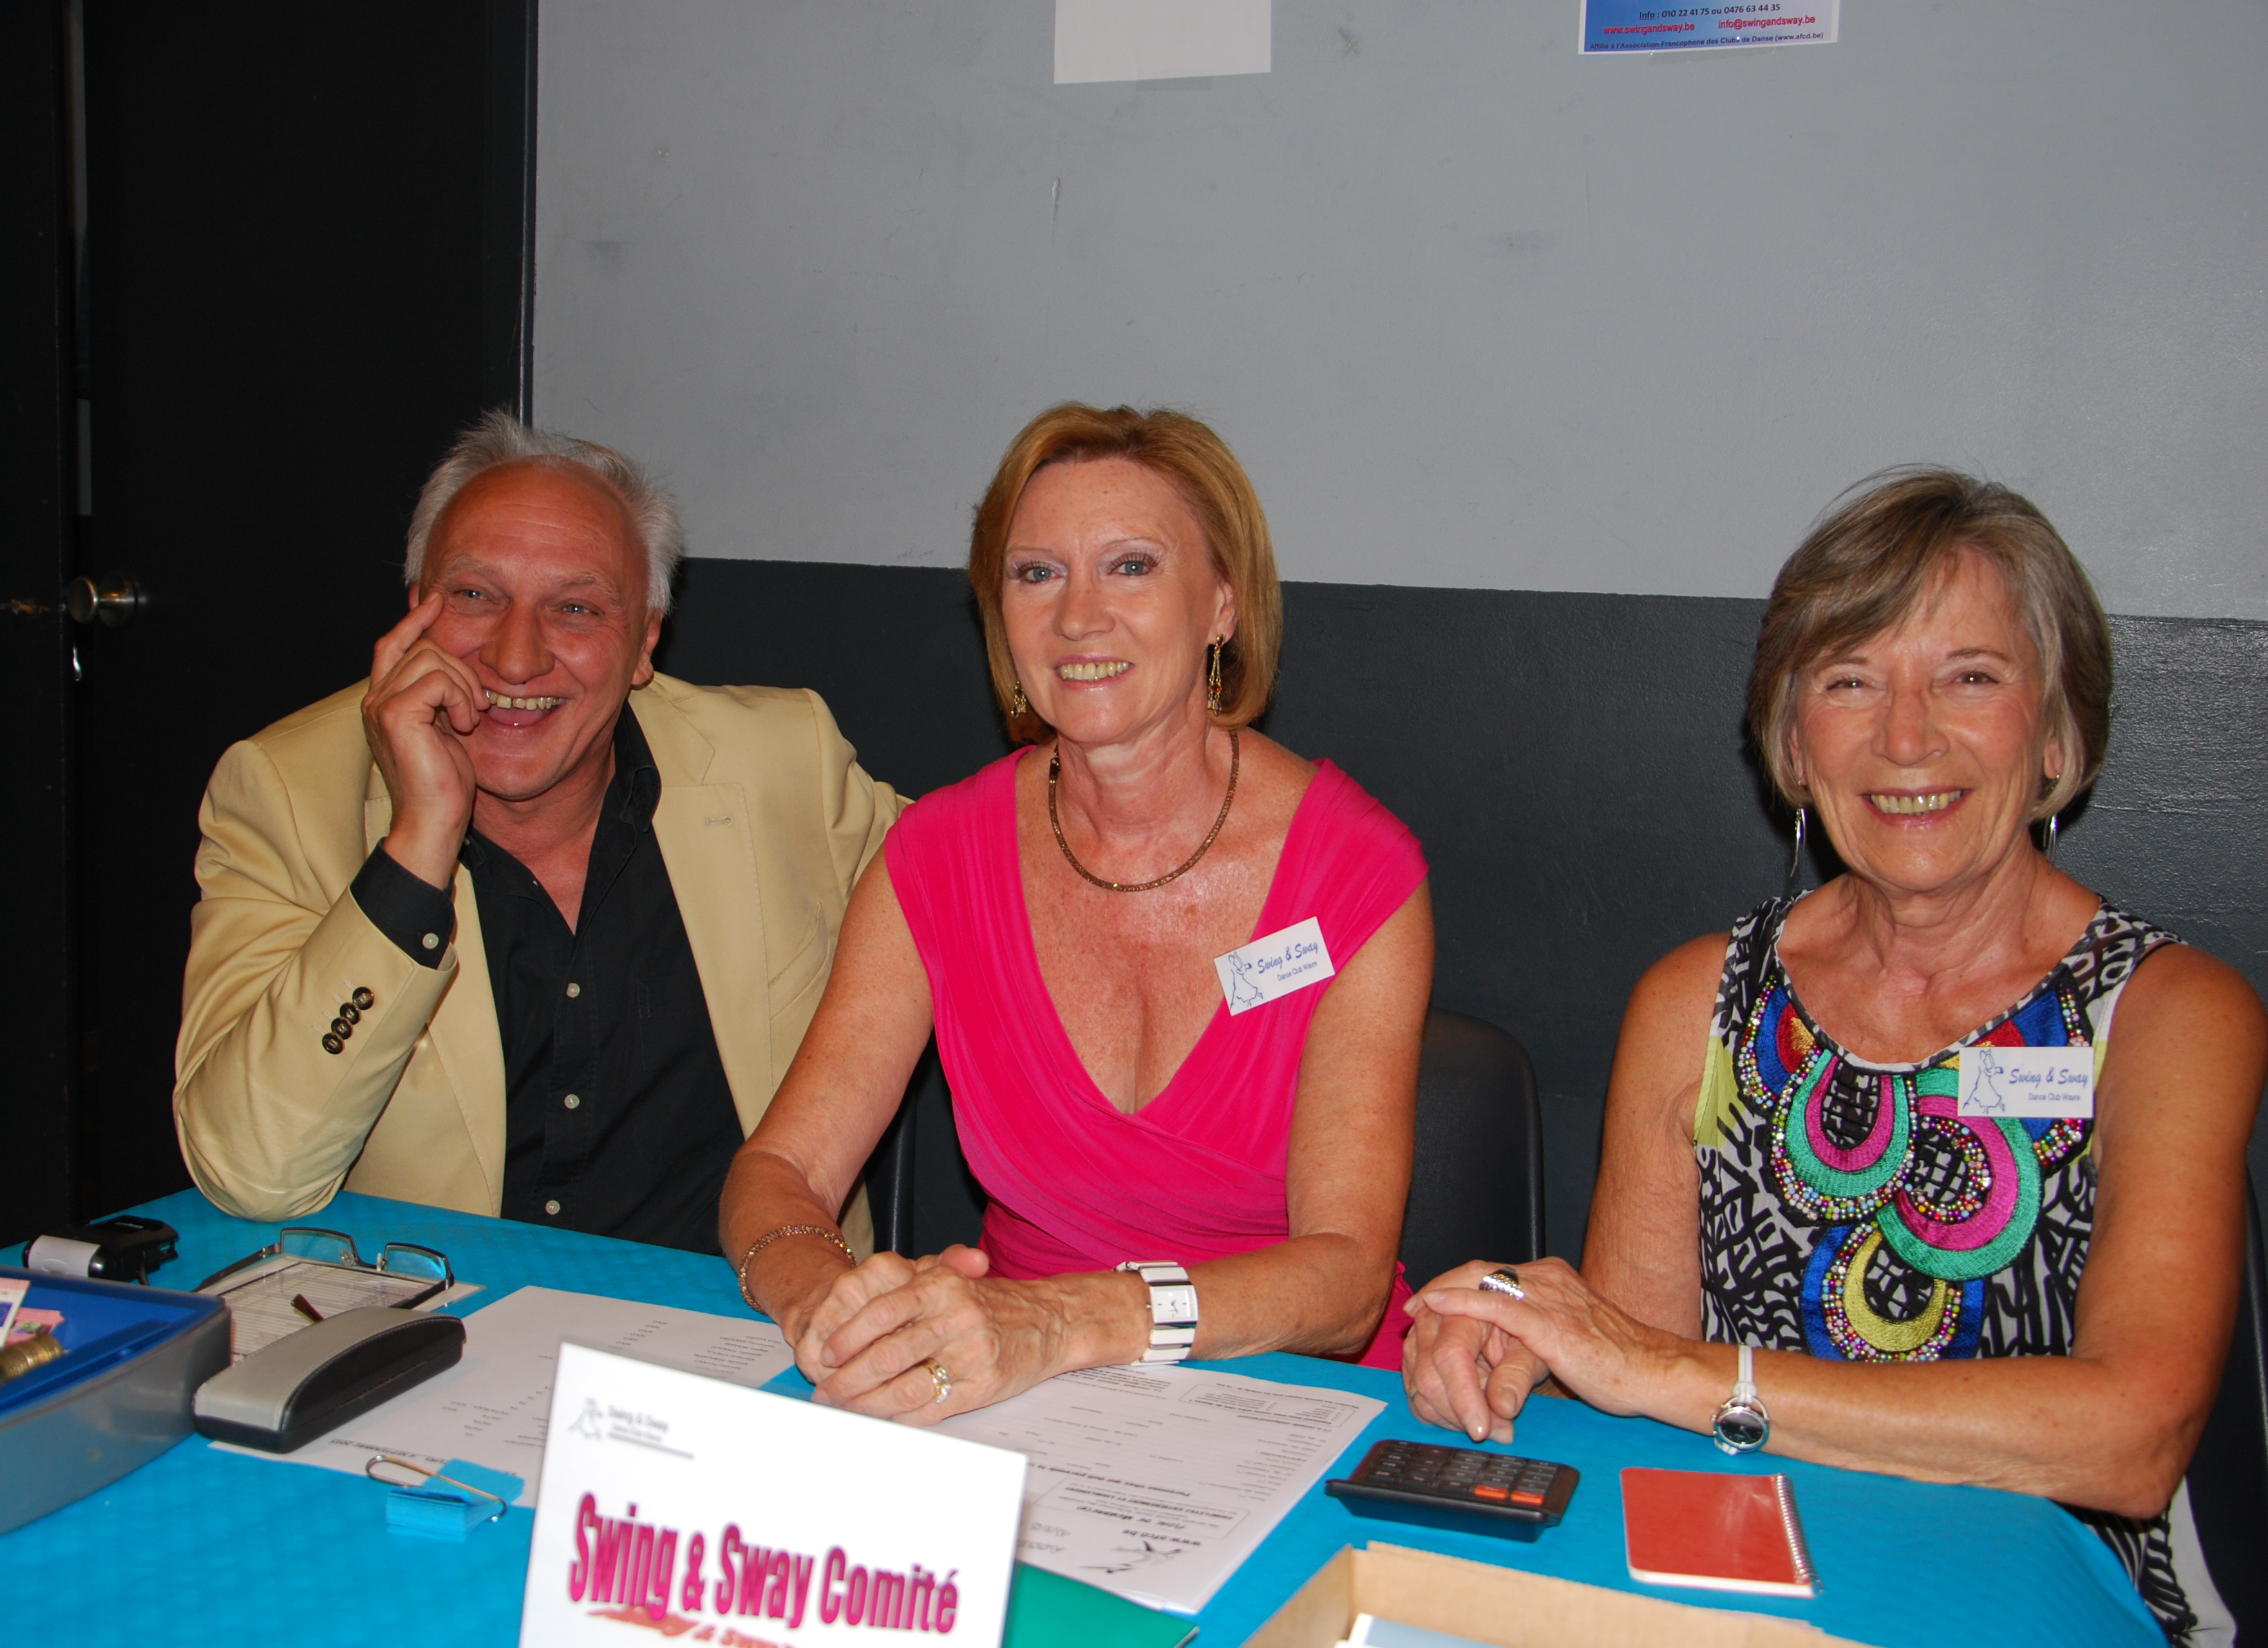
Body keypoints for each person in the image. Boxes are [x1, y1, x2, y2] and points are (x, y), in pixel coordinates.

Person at [1403, 469, 2268, 1644]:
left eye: (1970, 677)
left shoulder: (2169, 1014)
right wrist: (1521, 1345)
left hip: (2038, 1600)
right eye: (1851, 681)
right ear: (1794, 745)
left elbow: (2129, 1441)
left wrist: (1679, 1373)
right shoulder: (1698, 1001)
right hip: (1734, 1584)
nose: (1906, 737)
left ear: (2058, 732)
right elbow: (1630, 1392)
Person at [721, 404, 1433, 1422]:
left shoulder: (1354, 871)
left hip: (1293, 1400)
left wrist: (1067, 1321)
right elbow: (779, 1169)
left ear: (1222, 604)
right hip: (1023, 1399)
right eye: (1036, 574)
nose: (1077, 616)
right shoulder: (936, 857)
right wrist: (832, 1306)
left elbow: (1346, 1281)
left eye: (1131, 566)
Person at [174, 413, 901, 1256]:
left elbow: (993, 885)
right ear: (414, 613)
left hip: (735, 1310)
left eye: (576, 609)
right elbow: (252, 1170)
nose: (516, 659)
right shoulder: (285, 793)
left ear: (645, 643)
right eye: (474, 597)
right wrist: (417, 848)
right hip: (443, 1316)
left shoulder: (782, 763)